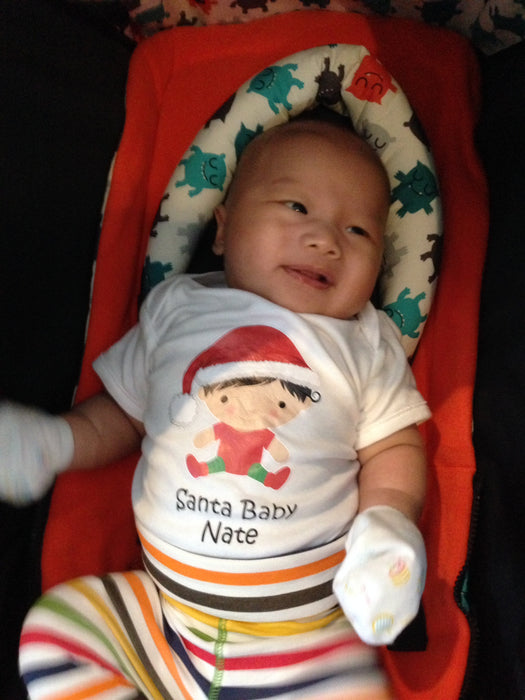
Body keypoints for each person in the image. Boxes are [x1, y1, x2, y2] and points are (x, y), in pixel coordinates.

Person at [2, 111, 431, 699]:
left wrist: (389, 521)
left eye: (358, 231)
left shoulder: (363, 340)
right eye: (297, 207)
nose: (326, 240)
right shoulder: (176, 308)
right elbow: (121, 415)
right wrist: (55, 443)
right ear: (223, 230)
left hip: (300, 636)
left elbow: (394, 445)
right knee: (61, 629)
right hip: (168, 621)